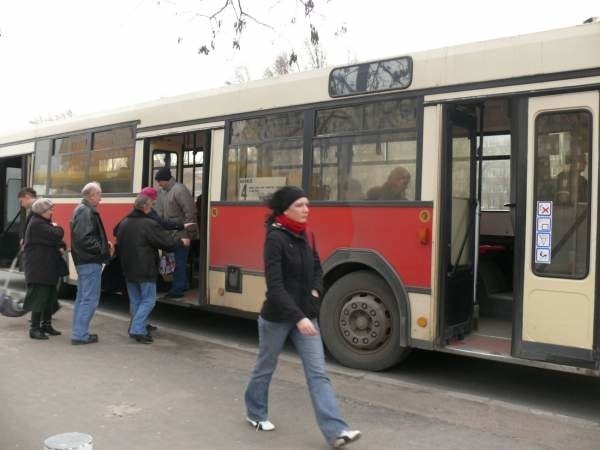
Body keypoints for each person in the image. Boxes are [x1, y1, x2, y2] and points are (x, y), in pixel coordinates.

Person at [244, 186, 361, 448]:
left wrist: (316, 293)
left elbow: (318, 268)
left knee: (318, 374)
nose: (306, 209)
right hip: (277, 317)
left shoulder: (308, 235)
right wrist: (298, 317)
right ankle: (255, 412)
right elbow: (275, 287)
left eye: (307, 204)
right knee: (265, 366)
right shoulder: (274, 238)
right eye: (300, 205)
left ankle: (336, 431)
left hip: (306, 316)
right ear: (285, 209)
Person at [115, 195, 190, 344]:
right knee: (149, 300)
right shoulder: (149, 224)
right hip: (145, 268)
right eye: (150, 207)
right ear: (145, 208)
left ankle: (138, 327)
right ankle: (137, 329)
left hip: (128, 268)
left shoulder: (123, 223)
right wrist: (181, 242)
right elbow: (166, 242)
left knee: (136, 300)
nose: (151, 210)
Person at [70, 182, 113, 345]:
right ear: (91, 195)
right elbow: (84, 239)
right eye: (99, 195)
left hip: (84, 261)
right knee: (89, 299)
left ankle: (79, 332)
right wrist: (103, 248)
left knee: (83, 298)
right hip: (89, 262)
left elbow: (84, 237)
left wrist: (103, 244)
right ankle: (80, 335)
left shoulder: (82, 210)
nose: (101, 199)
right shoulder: (85, 212)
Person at [22, 198, 65, 340]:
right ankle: (34, 329)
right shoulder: (37, 224)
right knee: (39, 299)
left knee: (49, 298)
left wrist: (59, 243)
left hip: (46, 267)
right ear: (41, 211)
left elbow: (60, 242)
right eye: (50, 209)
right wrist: (57, 228)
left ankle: (46, 325)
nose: (52, 212)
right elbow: (58, 234)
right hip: (39, 268)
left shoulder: (43, 223)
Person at [154, 168, 197, 299]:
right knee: (175, 261)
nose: (158, 184)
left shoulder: (180, 190)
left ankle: (177, 290)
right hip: (170, 234)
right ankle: (183, 284)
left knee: (179, 262)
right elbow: (159, 212)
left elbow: (190, 212)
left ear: (165, 180)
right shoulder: (163, 192)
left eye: (159, 181)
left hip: (181, 234)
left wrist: (188, 234)